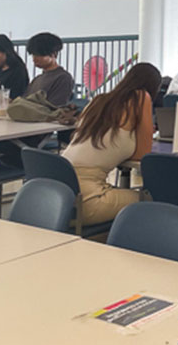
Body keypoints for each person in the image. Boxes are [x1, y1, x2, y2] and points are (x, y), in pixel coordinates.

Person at [62, 63, 161, 225]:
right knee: (157, 197)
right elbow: (142, 155)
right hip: (88, 199)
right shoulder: (141, 98)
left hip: (59, 198)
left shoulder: (98, 101)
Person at [24, 32, 74, 106]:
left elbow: (55, 107)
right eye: (33, 54)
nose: (34, 58)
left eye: (39, 54)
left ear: (54, 54)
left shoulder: (63, 78)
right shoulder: (37, 79)